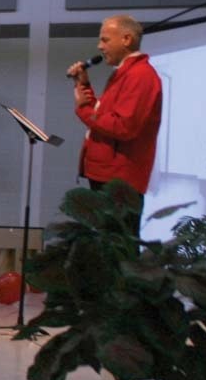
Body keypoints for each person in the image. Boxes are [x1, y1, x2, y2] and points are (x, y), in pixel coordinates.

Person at [66, 14, 162, 235]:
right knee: (106, 246)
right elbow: (105, 115)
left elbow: (122, 126)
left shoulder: (140, 75)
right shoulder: (124, 73)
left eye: (105, 40)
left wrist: (84, 110)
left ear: (126, 39)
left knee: (118, 249)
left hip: (119, 181)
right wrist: (84, 85)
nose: (100, 46)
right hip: (108, 176)